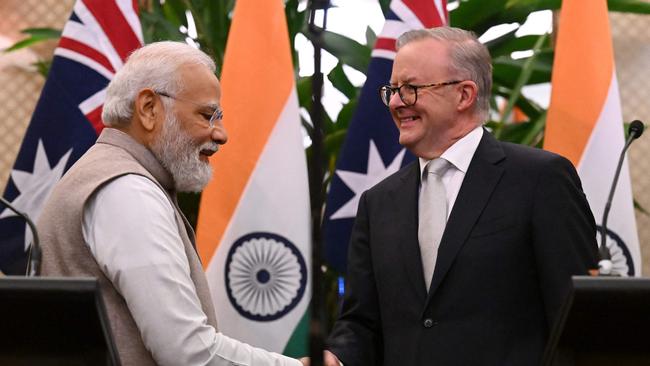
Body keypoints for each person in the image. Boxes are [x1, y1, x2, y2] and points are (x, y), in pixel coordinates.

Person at [324, 27, 599, 366]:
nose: (395, 102)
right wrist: (336, 357)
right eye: (393, 90)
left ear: (464, 94)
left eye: (410, 89)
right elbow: (362, 322)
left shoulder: (540, 180)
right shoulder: (378, 202)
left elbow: (576, 321)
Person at [38, 41, 305, 366]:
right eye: (208, 115)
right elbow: (188, 353)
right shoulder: (127, 191)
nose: (221, 134)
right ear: (149, 108)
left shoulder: (114, 175)